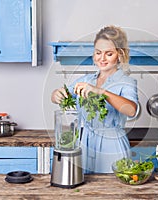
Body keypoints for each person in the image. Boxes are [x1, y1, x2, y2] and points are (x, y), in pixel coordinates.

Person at [51, 25, 139, 173]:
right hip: (85, 144)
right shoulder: (86, 80)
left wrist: (101, 92)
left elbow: (131, 110)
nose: (102, 58)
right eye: (98, 53)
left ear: (120, 54)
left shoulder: (126, 82)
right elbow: (58, 95)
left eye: (109, 54)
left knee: (111, 192)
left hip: (112, 146)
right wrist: (56, 94)